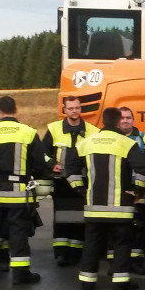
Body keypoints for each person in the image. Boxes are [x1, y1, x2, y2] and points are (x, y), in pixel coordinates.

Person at [66, 108, 145, 290]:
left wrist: (79, 188)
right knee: (122, 243)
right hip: (121, 208)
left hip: (94, 206)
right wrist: (138, 191)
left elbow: (70, 168)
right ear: (119, 121)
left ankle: (87, 281)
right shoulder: (127, 144)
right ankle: (120, 281)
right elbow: (143, 170)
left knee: (92, 243)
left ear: (102, 121)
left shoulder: (86, 143)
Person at [0, 96, 50, 285]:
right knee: (18, 232)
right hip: (18, 194)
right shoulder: (28, 133)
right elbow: (40, 164)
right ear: (16, 110)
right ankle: (20, 274)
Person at [41, 96, 100, 266]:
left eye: (77, 108)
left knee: (80, 218)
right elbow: (42, 153)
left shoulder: (93, 131)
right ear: (64, 110)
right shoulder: (54, 129)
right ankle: (61, 252)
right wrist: (51, 164)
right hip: (61, 181)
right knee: (60, 217)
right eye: (71, 108)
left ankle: (76, 252)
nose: (75, 111)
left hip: (82, 181)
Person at [118, 106, 145, 275]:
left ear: (133, 120)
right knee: (117, 229)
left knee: (138, 228)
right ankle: (117, 263)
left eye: (128, 118)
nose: (125, 121)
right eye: (122, 118)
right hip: (118, 192)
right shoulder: (112, 138)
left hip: (140, 192)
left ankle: (136, 262)